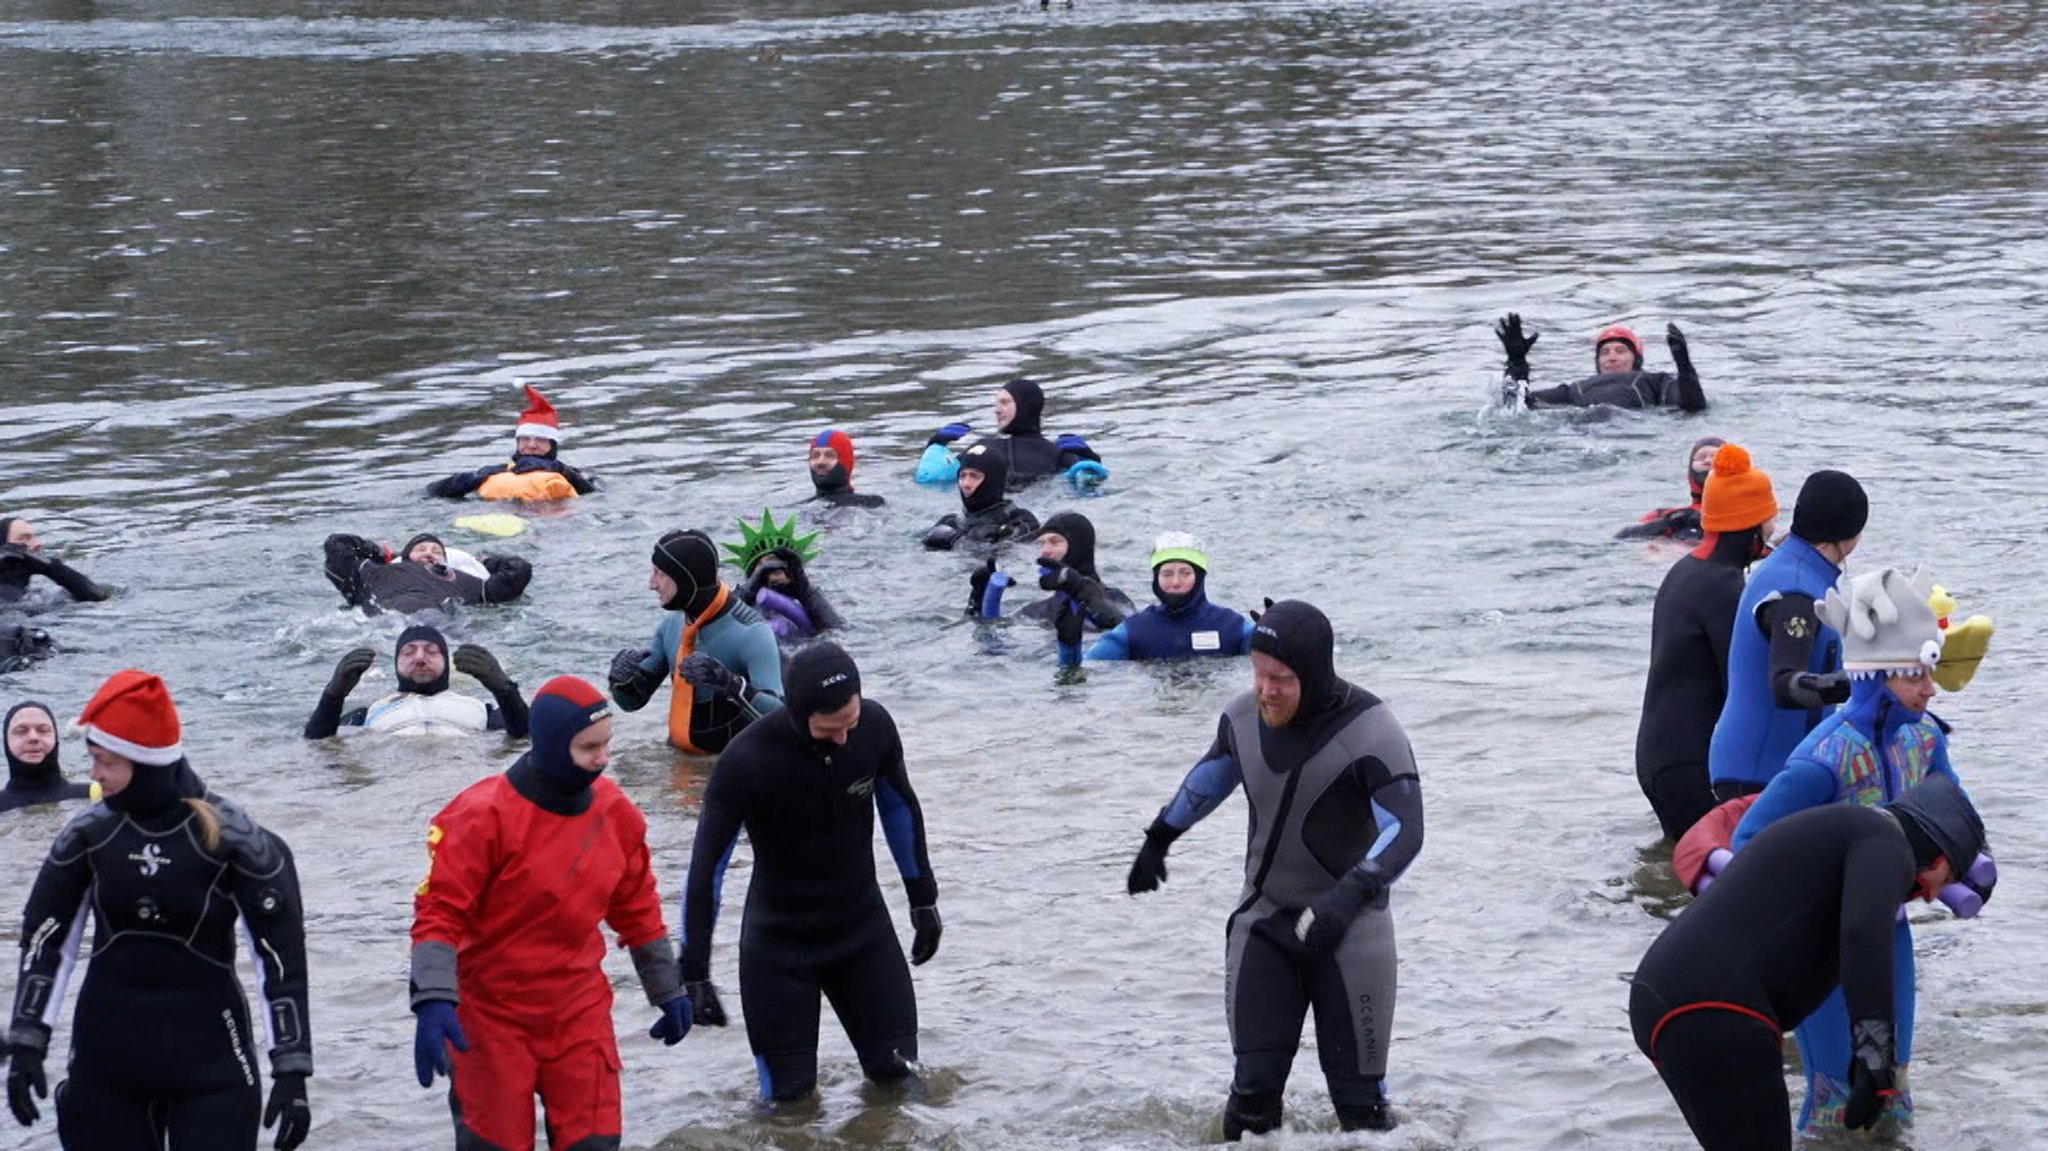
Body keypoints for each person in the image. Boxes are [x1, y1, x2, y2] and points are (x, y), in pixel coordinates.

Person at [1125, 601, 1424, 1137]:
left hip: (1353, 935)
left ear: (1312, 673)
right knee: (1252, 1101)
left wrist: (1349, 893)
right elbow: (1208, 780)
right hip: (1263, 928)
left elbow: (1406, 830)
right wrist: (1159, 838)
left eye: (1281, 679)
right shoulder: (1242, 718)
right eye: (1258, 674)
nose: (1266, 690)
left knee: (1362, 1115)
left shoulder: (1372, 730)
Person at [1729, 566, 1991, 1134]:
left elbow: (1955, 814)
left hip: (1887, 934)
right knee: (1835, 1092)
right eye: (1918, 675)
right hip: (1818, 950)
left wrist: (1970, 862)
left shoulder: (1925, 738)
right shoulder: (1824, 755)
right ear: (1881, 673)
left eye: (1930, 673)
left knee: (1892, 1085)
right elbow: (1749, 843)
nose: (1930, 687)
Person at [7, 670, 312, 1151]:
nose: (93, 774)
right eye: (92, 759)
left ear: (146, 763)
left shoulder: (239, 840)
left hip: (213, 1072)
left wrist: (292, 1070)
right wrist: (27, 1039)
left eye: (105, 762)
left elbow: (280, 961)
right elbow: (47, 943)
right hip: (106, 1071)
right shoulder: (89, 836)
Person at [1628, 776, 1986, 1151]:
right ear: (1942, 859)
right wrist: (1873, 1056)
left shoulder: (1848, 833)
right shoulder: (1885, 841)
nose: (1931, 896)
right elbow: (1863, 934)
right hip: (1712, 1007)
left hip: (1672, 1000)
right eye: (1945, 880)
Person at [409, 676, 691, 1151]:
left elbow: (638, 908)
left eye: (607, 745)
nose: (603, 759)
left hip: (578, 1010)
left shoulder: (617, 815)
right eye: (588, 748)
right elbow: (439, 913)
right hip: (492, 1015)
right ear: (554, 746)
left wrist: (668, 989)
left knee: (594, 1143)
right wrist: (433, 998)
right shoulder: (481, 816)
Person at [680, 643, 941, 1103]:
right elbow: (707, 869)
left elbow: (900, 810)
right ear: (800, 716)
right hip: (779, 949)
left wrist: (923, 900)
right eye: (828, 730)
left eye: (850, 724)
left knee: (901, 1084)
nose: (843, 739)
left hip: (863, 935)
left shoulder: (875, 728)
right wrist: (694, 970)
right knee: (787, 1105)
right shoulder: (747, 760)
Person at [1634, 444, 1778, 840]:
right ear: (1750, 525)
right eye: (1767, 521)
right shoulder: (1723, 587)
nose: (1770, 531)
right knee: (1714, 886)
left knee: (1674, 878)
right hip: (1690, 764)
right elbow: (1743, 688)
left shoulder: (1688, 569)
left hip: (1659, 754)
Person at [1707, 469, 1869, 799]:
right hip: (1758, 775)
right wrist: (1864, 680)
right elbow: (1786, 686)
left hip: (1764, 767)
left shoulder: (1794, 564)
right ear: (1850, 533)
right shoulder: (1797, 593)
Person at [609, 529, 786, 754]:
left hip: (730, 767)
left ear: (685, 579)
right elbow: (631, 704)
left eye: (659, 573)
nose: (651, 584)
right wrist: (621, 680)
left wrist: (729, 683)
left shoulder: (752, 632)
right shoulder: (670, 626)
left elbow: (781, 719)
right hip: (678, 761)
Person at [304, 624, 530, 739]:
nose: (420, 658)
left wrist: (504, 689)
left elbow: (527, 736)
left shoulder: (481, 710)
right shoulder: (369, 713)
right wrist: (334, 695)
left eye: (431, 651)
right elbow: (317, 743)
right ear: (396, 663)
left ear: (445, 661)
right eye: (408, 652)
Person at [1082, 533, 1255, 662]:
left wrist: (1272, 633)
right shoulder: (1135, 630)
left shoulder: (1232, 626)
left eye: (1185, 573)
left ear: (1199, 577)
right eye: (1167, 574)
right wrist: (1070, 644)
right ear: (1156, 578)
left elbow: (1274, 662)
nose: (1175, 582)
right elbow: (1085, 668)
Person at [1494, 314, 1707, 412]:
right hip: (1581, 435)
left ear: (1637, 359)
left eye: (1620, 351)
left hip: (1634, 430)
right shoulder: (1574, 390)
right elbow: (1517, 407)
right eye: (1604, 352)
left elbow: (1693, 406)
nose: (1611, 357)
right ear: (1597, 362)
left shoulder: (1656, 381)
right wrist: (1517, 363)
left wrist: (1684, 365)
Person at [918, 377, 1105, 487]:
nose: (996, 410)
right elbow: (934, 475)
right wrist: (936, 444)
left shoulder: (1056, 453)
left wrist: (1089, 457)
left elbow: (1094, 481)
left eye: (1005, 402)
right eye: (996, 403)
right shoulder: (984, 447)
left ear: (1026, 406)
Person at [426, 385, 596, 502]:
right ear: (517, 442)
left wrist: (563, 471)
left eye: (540, 440)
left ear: (553, 445)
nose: (532, 444)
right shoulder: (497, 471)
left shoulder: (568, 474)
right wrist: (474, 478)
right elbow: (431, 491)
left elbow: (595, 493)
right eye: (525, 439)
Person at [968, 511, 1133, 626]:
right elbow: (995, 653)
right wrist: (979, 600)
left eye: (1055, 542)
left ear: (1079, 547)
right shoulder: (1036, 611)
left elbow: (1132, 632)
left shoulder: (1114, 599)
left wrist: (1083, 591)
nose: (1045, 551)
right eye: (1042, 543)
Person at [322, 530, 532, 616]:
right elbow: (336, 545)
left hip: (439, 624)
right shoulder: (374, 573)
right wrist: (378, 554)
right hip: (381, 620)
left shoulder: (465, 582)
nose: (429, 554)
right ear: (404, 557)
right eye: (421, 550)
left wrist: (487, 563)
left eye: (437, 552)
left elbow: (519, 570)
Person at [722, 510, 845, 641]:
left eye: (780, 567)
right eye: (764, 568)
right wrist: (751, 587)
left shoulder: (810, 600)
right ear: (753, 575)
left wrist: (805, 591)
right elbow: (718, 624)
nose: (773, 572)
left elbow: (836, 631)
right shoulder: (743, 603)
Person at [920, 440, 1040, 551]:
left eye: (974, 476)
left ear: (993, 481)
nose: (966, 484)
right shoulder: (950, 522)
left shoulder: (1022, 520)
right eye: (962, 476)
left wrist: (973, 544)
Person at [1615, 436, 1726, 541]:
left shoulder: (1738, 516)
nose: (1708, 461)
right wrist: (1666, 524)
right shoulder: (1662, 515)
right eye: (1701, 457)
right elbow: (1622, 537)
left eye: (1715, 457)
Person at [2, 701, 92, 813]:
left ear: (56, 739)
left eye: (43, 730)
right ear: (6, 742)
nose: (33, 737)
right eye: (21, 731)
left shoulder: (93, 795)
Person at [0, 517, 108, 605]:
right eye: (24, 538)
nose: (38, 543)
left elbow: (97, 597)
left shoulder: (40, 596)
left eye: (34, 537)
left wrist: (50, 567)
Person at [806, 429, 885, 508]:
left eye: (829, 455)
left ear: (845, 462)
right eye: (815, 455)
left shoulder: (872, 503)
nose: (820, 462)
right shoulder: (799, 510)